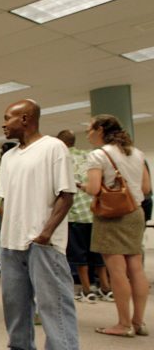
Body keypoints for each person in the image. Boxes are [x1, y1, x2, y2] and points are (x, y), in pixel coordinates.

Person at [0, 99, 89, 350]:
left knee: (55, 308)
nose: (4, 124)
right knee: (16, 309)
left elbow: (66, 194)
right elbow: (6, 201)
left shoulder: (53, 148)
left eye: (8, 118)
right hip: (11, 245)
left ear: (26, 119)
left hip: (43, 243)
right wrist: (4, 239)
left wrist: (46, 233)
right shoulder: (9, 156)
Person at [81, 114, 151, 337]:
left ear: (100, 129)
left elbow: (93, 189)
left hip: (111, 215)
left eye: (89, 129)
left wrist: (81, 186)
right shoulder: (136, 153)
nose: (88, 134)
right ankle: (138, 322)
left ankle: (123, 324)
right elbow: (146, 188)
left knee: (117, 272)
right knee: (136, 269)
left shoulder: (98, 155)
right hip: (135, 213)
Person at [55, 129, 111, 303]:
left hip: (75, 214)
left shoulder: (60, 161)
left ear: (60, 143)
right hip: (95, 212)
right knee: (98, 253)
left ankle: (87, 290)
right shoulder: (88, 155)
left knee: (79, 255)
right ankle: (106, 288)